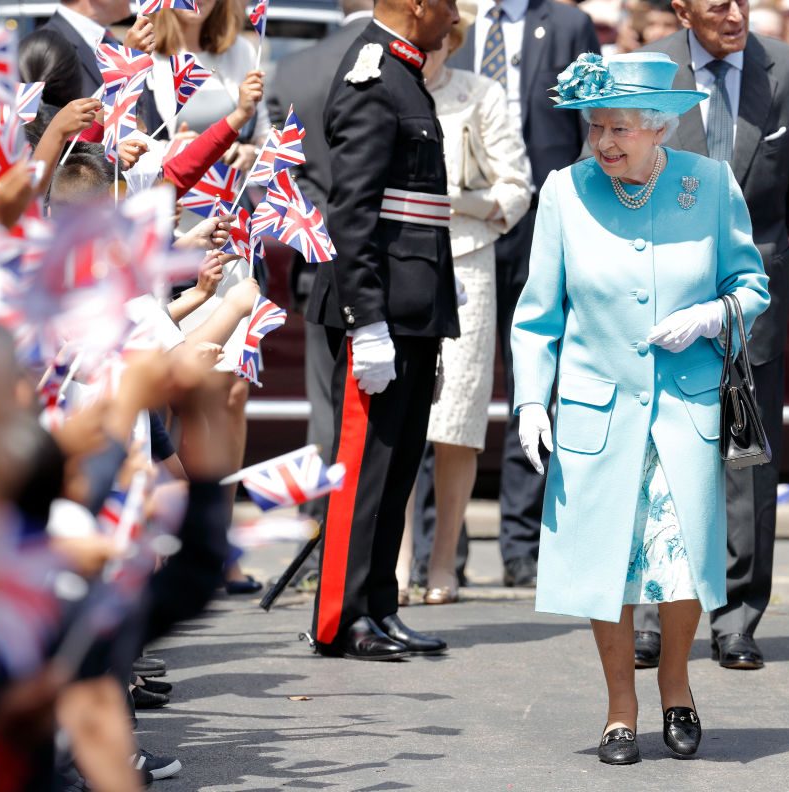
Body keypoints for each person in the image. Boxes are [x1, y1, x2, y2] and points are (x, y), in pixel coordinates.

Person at [511, 51, 770, 763]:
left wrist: (713, 318)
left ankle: (678, 689)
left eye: (619, 127)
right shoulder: (565, 192)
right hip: (599, 413)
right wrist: (532, 398)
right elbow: (537, 316)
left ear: (660, 127)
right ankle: (620, 707)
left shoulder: (710, 185)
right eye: (596, 126)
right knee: (609, 565)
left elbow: (751, 286)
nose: (604, 142)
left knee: (683, 559)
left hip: (683, 412)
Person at [636, 0, 789, 671]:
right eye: (718, 6)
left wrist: (754, 247)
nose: (736, 15)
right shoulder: (648, 71)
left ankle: (736, 618)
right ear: (682, 9)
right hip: (661, 293)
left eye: (743, 1)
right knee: (659, 456)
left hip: (754, 294)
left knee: (749, 459)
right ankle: (653, 612)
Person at [304, 0, 461, 660]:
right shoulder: (373, 75)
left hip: (412, 310)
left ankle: (378, 606)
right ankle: (341, 617)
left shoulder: (404, 73)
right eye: (448, 4)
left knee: (395, 468)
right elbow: (353, 214)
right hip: (382, 313)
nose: (453, 17)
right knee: (366, 471)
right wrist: (365, 322)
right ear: (419, 5)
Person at [447, 0, 600, 589]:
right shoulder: (450, 20)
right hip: (464, 225)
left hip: (543, 222)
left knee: (534, 384)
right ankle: (444, 547)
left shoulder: (566, 24)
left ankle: (521, 544)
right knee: (450, 386)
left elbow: (592, 126)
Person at [418, 8, 531, 604]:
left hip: (467, 265)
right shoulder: (385, 87)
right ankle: (390, 564)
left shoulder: (480, 93)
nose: (428, 53)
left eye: (438, 45)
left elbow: (516, 187)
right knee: (396, 418)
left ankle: (442, 564)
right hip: (400, 264)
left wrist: (455, 201)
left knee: (457, 422)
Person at [266, 0, 373, 557]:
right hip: (388, 255)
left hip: (321, 255)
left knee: (326, 407)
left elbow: (285, 175)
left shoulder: (295, 70)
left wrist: (328, 228)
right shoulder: (394, 60)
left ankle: (319, 539)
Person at [149, 0, 270, 170]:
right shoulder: (145, 55)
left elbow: (263, 133)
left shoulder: (241, 51)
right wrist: (170, 149)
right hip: (169, 190)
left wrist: (253, 153)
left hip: (229, 191)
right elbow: (124, 145)